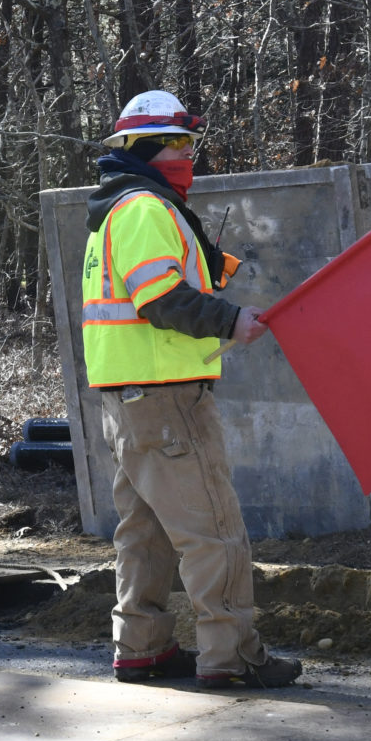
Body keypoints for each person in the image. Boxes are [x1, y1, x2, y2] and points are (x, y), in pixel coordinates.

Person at [82, 89, 300, 689]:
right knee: (216, 532)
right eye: (182, 143)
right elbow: (161, 301)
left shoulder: (115, 213)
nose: (190, 155)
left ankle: (142, 649)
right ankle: (234, 658)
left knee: (144, 535)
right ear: (151, 148)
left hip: (130, 402)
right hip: (169, 399)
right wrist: (233, 320)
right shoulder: (146, 210)